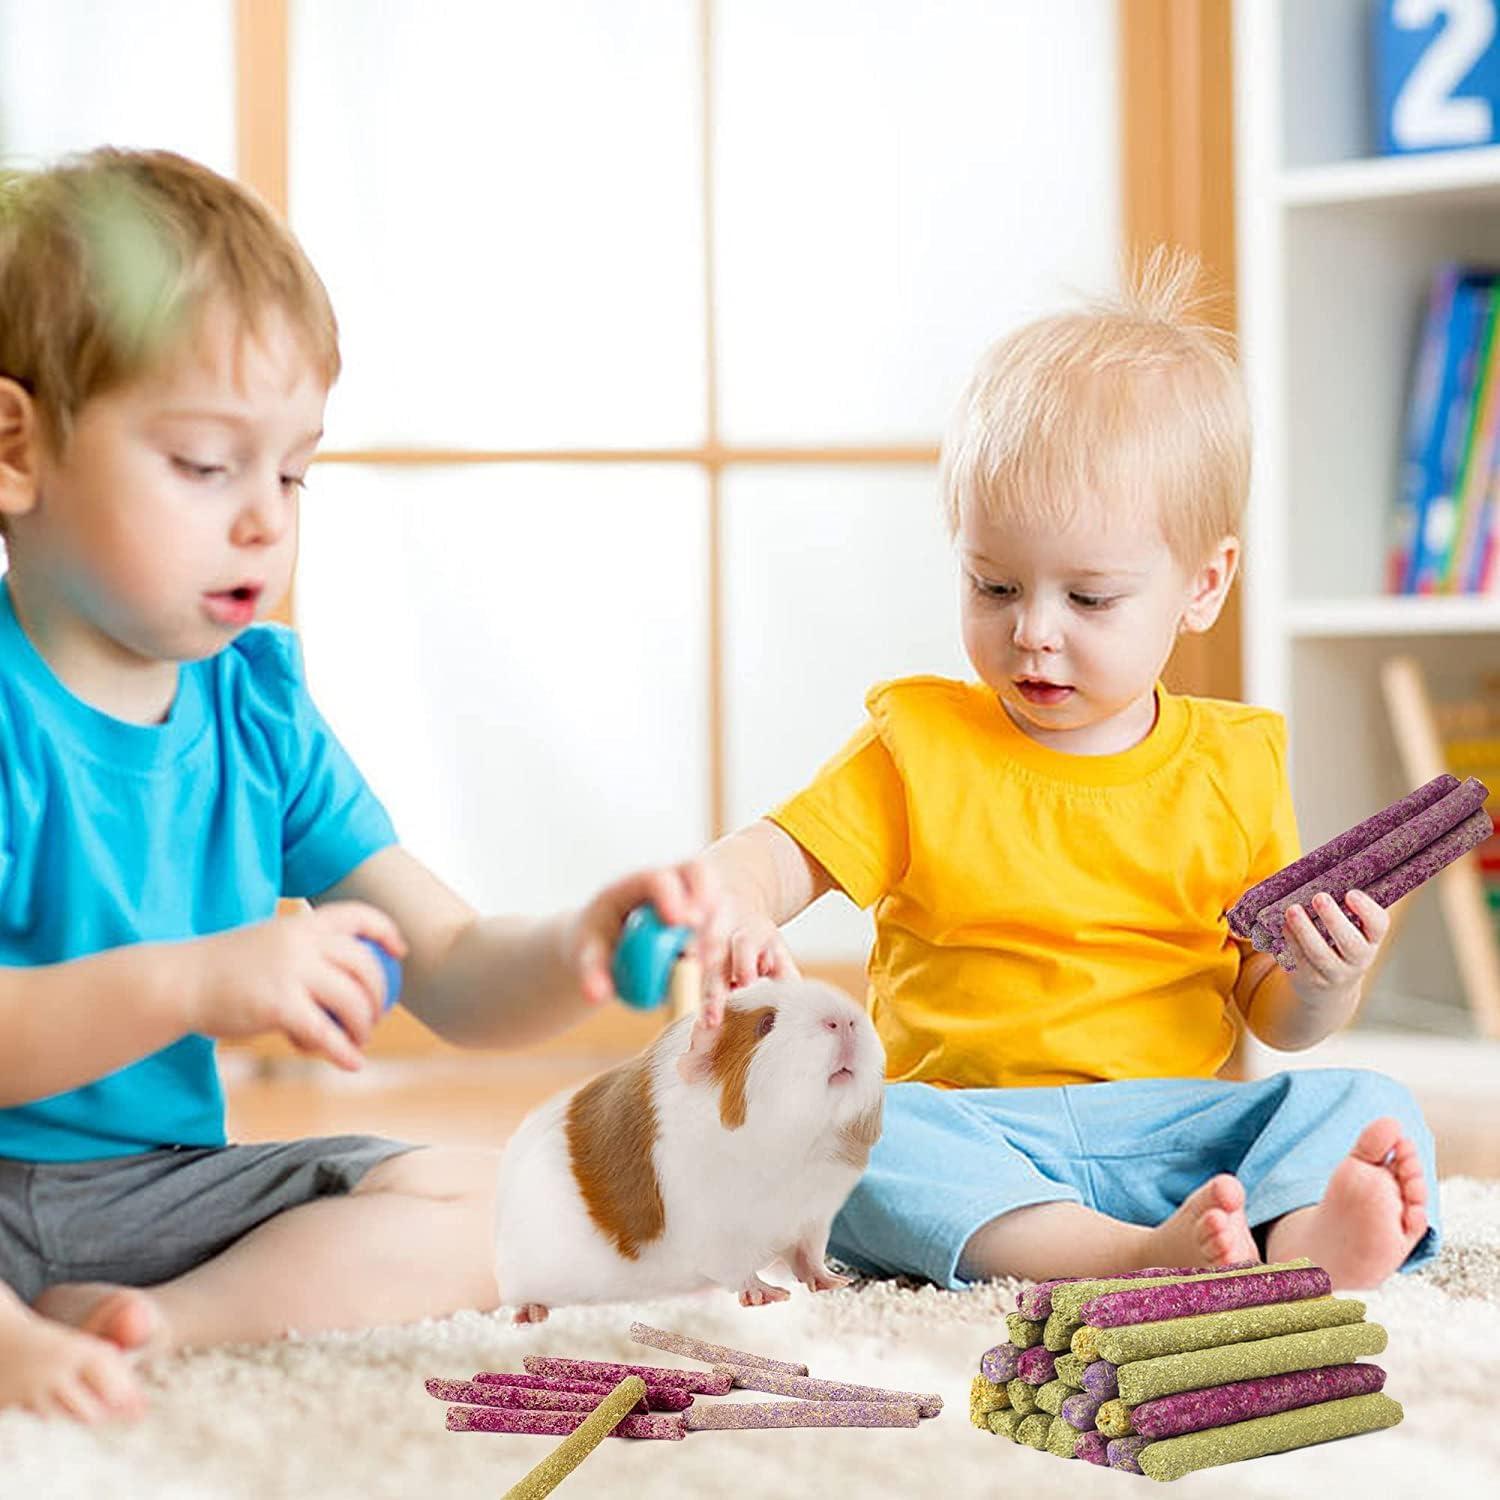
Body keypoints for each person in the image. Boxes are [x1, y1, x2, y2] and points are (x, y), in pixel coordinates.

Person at [0, 146, 721, 1421]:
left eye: (292, 472)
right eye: (206, 464)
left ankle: (155, 1326)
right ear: (17, 450)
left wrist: (576, 947)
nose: (266, 522)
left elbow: (441, 955)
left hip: (159, 1189)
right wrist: (203, 979)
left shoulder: (258, 711)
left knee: (488, 1196)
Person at [694, 252, 1437, 1297]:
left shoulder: (1233, 764)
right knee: (843, 1132)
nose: (1032, 633)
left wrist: (1329, 979)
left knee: (1365, 1099)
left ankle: (1301, 1242)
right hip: (967, 1129)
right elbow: (760, 861)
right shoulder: (917, 744)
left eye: (1089, 600)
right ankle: (1134, 1260)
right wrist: (732, 910)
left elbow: (1274, 1015)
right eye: (993, 585)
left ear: (1202, 585)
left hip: (1177, 1128)